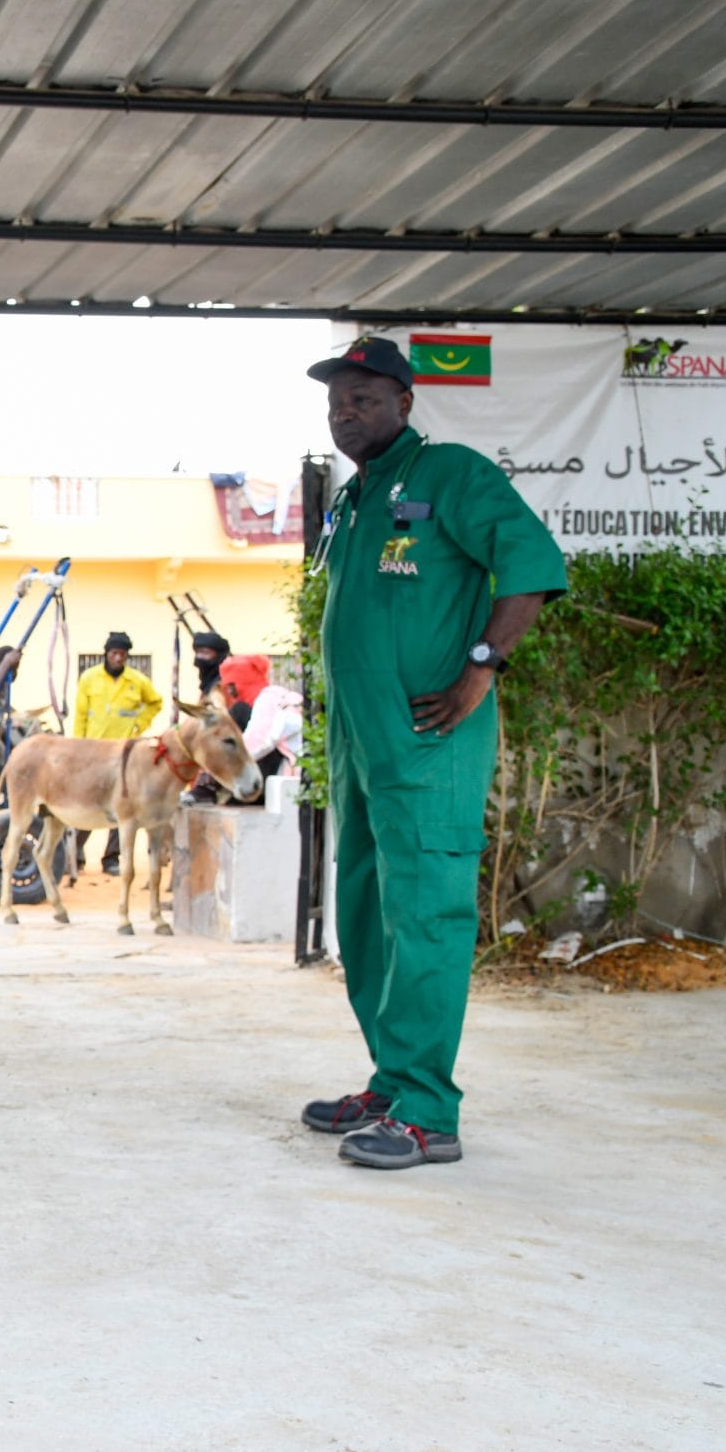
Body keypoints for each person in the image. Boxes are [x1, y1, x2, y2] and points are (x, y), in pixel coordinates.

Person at [298, 334, 566, 1171]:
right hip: (361, 742)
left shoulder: (450, 474)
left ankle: (428, 1113)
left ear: (405, 403)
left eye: (364, 400)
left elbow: (532, 564)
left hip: (427, 740)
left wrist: (482, 667)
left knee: (427, 915)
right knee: (369, 914)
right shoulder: (357, 497)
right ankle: (390, 1081)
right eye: (338, 402)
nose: (347, 415)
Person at [70, 631, 162, 875]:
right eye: (114, 653)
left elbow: (156, 703)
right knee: (88, 800)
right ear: (106, 654)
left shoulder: (137, 681)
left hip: (123, 753)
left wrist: (138, 726)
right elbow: (80, 714)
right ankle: (75, 855)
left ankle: (111, 859)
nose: (118, 658)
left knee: (121, 805)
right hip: (92, 751)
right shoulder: (89, 678)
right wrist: (77, 746)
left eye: (122, 654)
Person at [219, 653, 302, 788]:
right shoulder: (279, 695)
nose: (229, 691)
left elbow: (257, 742)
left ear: (242, 683)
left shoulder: (268, 699)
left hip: (290, 774)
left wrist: (222, 765)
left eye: (231, 685)